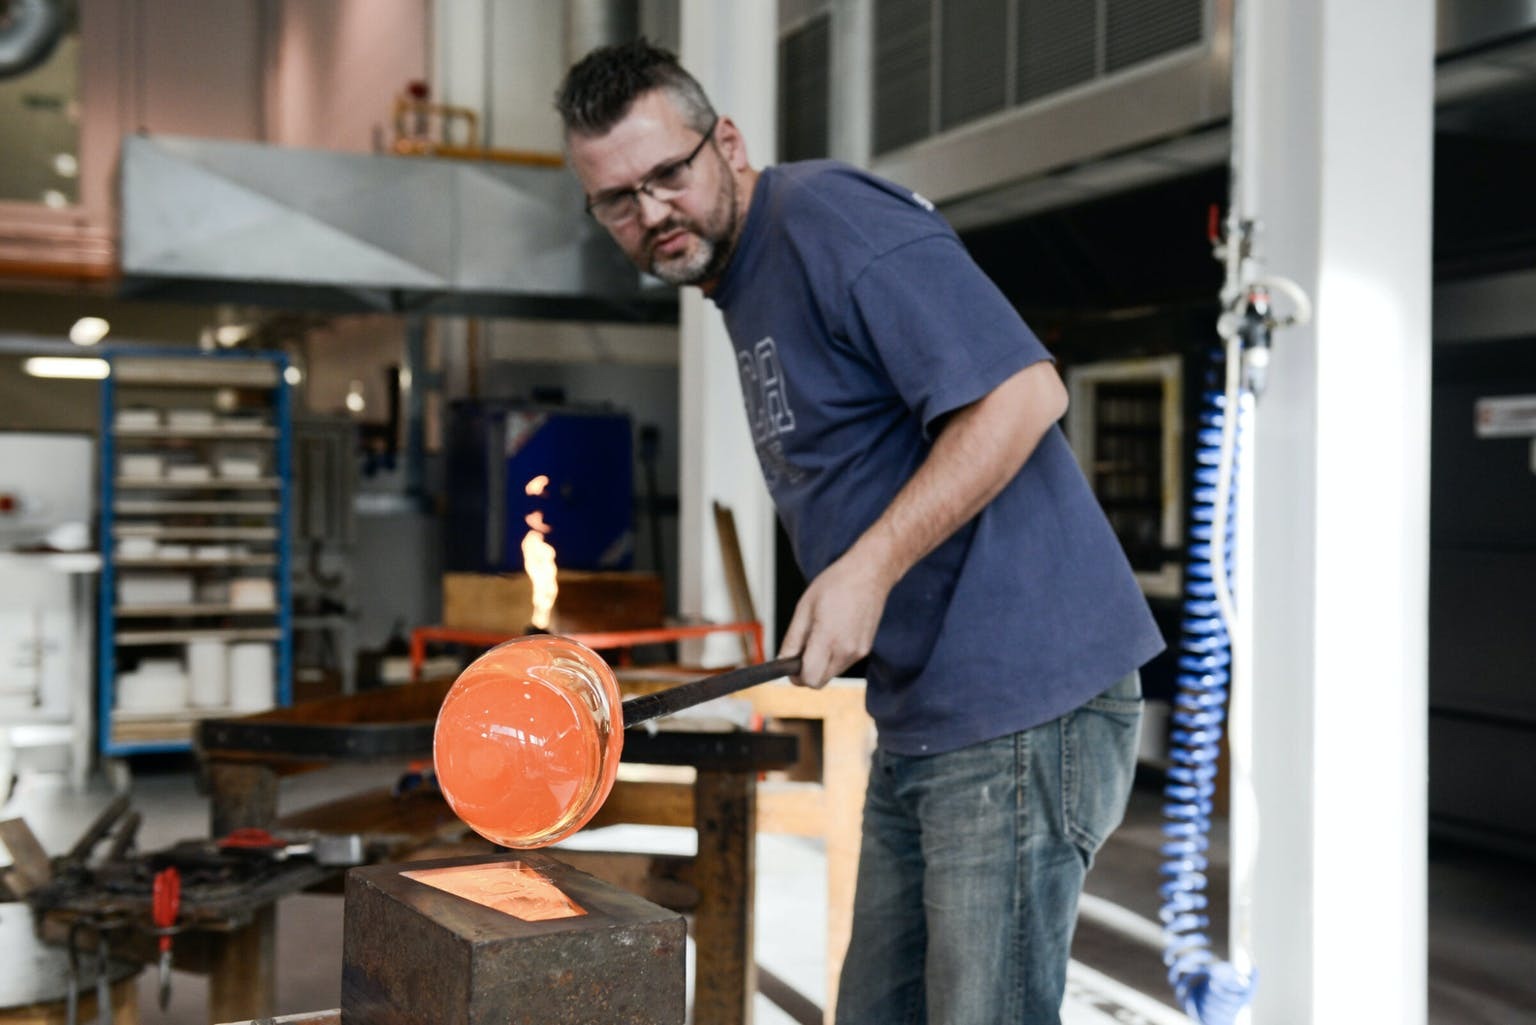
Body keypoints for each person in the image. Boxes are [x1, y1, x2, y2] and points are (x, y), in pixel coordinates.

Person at [556, 40, 1165, 1025]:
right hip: (928, 708)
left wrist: (866, 568)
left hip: (1023, 694)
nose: (653, 211)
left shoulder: (824, 221)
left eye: (668, 173)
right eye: (618, 198)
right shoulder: (741, 277)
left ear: (729, 143)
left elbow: (1023, 393)